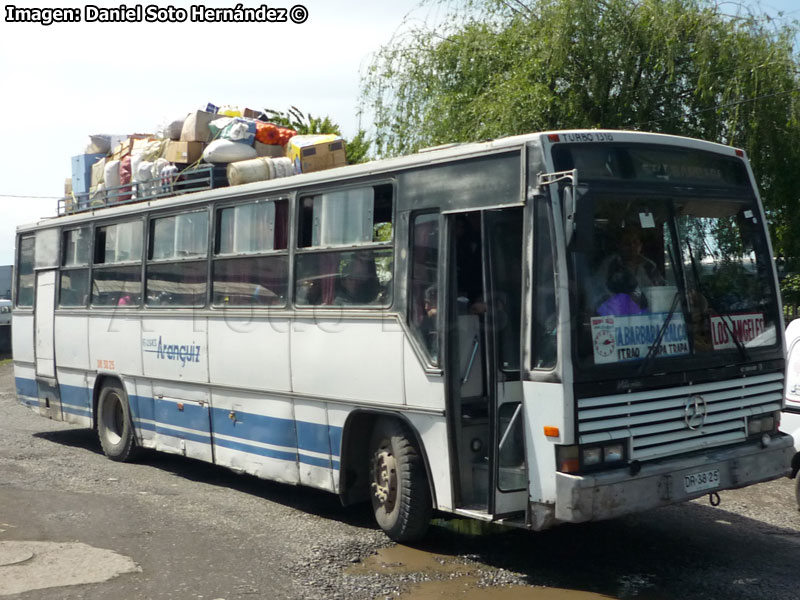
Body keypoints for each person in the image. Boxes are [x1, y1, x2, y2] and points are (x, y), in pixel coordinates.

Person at [595, 226, 664, 315]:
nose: (632, 246)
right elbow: (598, 292)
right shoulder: (610, 265)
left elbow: (660, 291)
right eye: (627, 243)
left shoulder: (649, 266)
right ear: (619, 245)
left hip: (646, 317)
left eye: (635, 242)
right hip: (616, 315)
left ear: (640, 245)